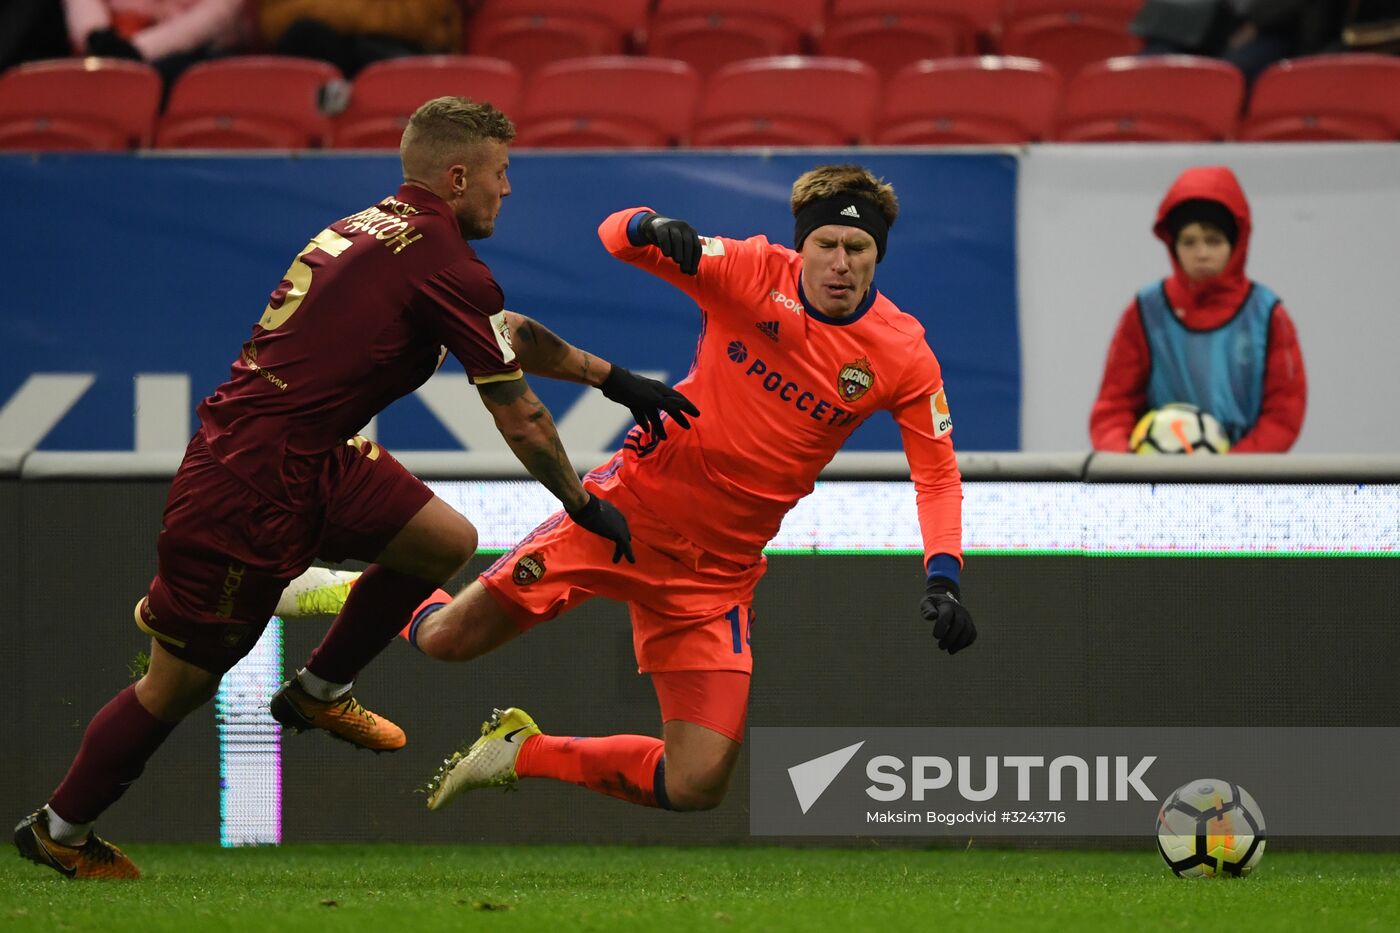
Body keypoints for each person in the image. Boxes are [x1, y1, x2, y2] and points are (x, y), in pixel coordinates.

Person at [13, 96, 697, 880]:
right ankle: (60, 830)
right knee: (175, 687)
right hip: (249, 487)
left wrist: (612, 378)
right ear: (459, 176)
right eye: (501, 173)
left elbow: (505, 331)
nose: (507, 189)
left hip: (310, 459)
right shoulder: (443, 260)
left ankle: (319, 688)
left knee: (443, 540)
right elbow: (523, 417)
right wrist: (580, 503)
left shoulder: (382, 228)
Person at [335, 163, 975, 816]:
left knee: (696, 784)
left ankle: (522, 751)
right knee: (446, 640)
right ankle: (359, 591)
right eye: (826, 244)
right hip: (626, 512)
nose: (840, 263)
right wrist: (648, 224)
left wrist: (944, 576)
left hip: (718, 572)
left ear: (877, 256)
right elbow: (615, 236)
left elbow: (937, 475)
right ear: (802, 245)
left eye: (857, 248)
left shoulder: (902, 353)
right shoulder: (750, 270)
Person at [1090, 165, 1306, 453]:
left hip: (1245, 476)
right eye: (1188, 242)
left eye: (1213, 241)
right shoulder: (1145, 311)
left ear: (1236, 243)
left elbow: (1284, 413)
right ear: (1173, 245)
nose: (1201, 253)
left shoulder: (1267, 316)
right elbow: (1113, 407)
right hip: (1156, 476)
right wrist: (1128, 463)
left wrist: (1234, 469)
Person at [62, 0, 247, 87]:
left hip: (192, 53)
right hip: (105, 50)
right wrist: (96, 35)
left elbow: (217, 14)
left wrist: (138, 49)